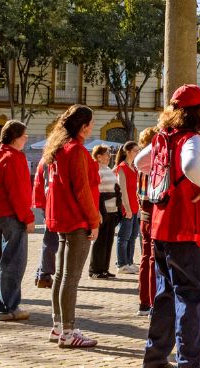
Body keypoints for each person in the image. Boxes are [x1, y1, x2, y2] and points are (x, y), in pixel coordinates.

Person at [136, 85, 200, 368]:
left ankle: (155, 358)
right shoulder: (192, 139)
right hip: (187, 226)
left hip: (161, 225)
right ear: (195, 112)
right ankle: (189, 366)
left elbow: (139, 163)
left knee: (165, 294)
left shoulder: (162, 138)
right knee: (192, 295)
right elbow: (189, 165)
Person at [42, 105, 101, 349]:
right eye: (91, 123)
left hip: (63, 218)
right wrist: (94, 220)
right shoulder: (75, 150)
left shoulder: (58, 149)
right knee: (70, 277)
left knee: (61, 276)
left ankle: (58, 326)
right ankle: (68, 331)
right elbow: (82, 190)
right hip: (77, 219)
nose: (92, 127)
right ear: (83, 126)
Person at [0, 120, 34, 322]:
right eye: (24, 135)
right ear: (15, 137)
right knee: (14, 262)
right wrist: (28, 218)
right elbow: (19, 192)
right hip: (11, 215)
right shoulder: (14, 157)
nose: (26, 139)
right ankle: (8, 307)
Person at [88, 145, 122, 280]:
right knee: (100, 241)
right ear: (99, 156)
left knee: (108, 241)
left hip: (112, 209)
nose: (109, 156)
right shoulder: (96, 170)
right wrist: (97, 211)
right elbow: (95, 191)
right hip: (102, 209)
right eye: (106, 154)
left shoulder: (108, 169)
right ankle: (95, 270)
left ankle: (104, 269)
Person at [135, 126, 158, 315]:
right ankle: (151, 301)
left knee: (145, 255)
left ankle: (144, 301)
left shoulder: (140, 166)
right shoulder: (150, 163)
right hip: (152, 208)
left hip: (143, 209)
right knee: (152, 257)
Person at [115, 142, 140, 272]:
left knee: (133, 235)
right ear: (128, 151)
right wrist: (127, 208)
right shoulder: (122, 167)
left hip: (135, 206)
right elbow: (122, 191)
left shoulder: (134, 167)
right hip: (127, 207)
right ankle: (122, 264)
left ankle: (129, 261)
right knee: (124, 236)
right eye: (136, 150)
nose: (138, 153)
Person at [32, 158, 57, 290]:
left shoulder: (44, 160)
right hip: (50, 204)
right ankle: (44, 275)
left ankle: (41, 274)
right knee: (51, 241)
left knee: (49, 241)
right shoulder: (49, 161)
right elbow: (49, 185)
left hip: (46, 203)